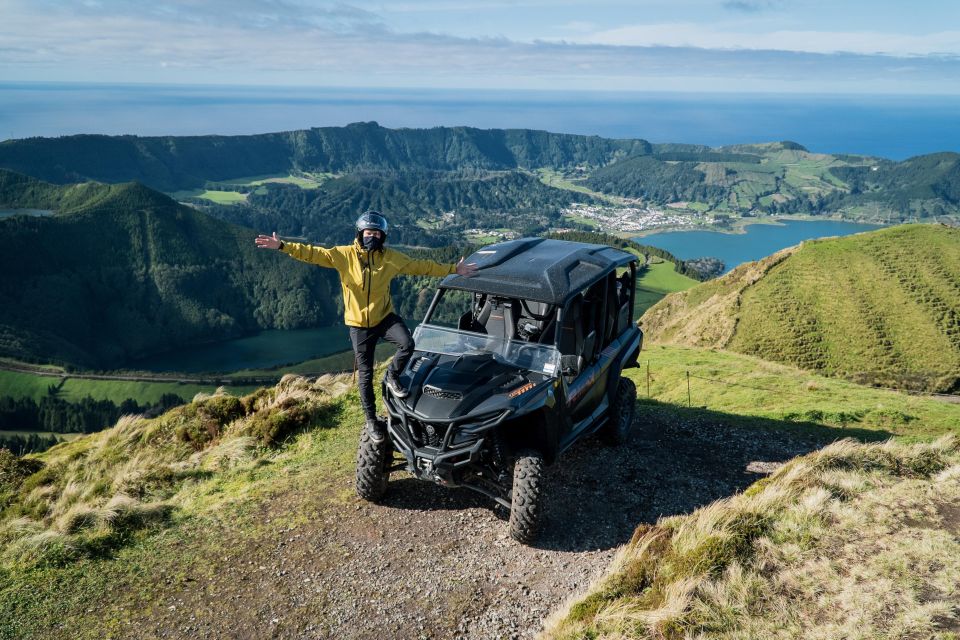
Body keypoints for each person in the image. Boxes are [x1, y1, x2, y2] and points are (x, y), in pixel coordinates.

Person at [255, 211, 477, 442]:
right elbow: (313, 253)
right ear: (360, 234)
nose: (373, 237)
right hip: (358, 325)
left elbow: (420, 266)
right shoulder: (344, 255)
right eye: (368, 233)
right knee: (365, 374)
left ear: (383, 236)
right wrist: (282, 245)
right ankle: (371, 420)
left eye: (377, 234)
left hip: (384, 318)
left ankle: (392, 376)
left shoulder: (390, 258)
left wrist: (453, 269)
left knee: (407, 344)